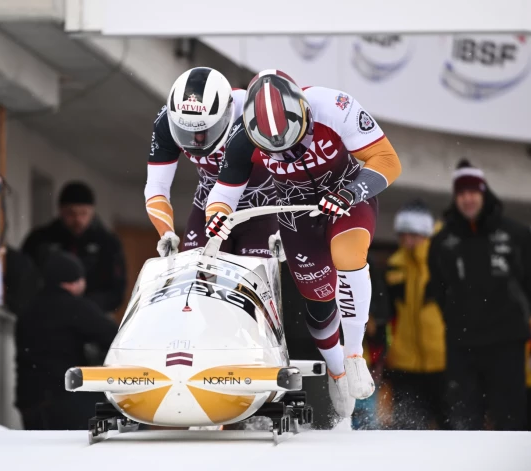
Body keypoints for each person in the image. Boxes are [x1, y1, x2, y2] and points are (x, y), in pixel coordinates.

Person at [204, 70, 402, 418]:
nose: (290, 153)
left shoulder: (335, 106)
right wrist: (216, 214)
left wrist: (351, 191)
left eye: (295, 141)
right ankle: (337, 369)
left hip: (346, 196)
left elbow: (388, 161)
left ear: (304, 112)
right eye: (276, 150)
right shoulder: (242, 137)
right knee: (321, 300)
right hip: (296, 213)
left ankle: (354, 356)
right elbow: (223, 193)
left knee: (348, 255)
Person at [428, 159, 531, 431]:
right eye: (461, 193)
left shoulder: (516, 234)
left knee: (511, 417)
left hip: (507, 341)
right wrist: (454, 316)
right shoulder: (442, 241)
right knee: (463, 418)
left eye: (473, 192)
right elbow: (438, 288)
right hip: (462, 344)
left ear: (484, 193)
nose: (467, 199)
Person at [144, 67, 278, 258]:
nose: (197, 140)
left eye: (205, 129)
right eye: (186, 130)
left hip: (260, 212)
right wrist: (166, 231)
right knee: (196, 281)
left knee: (246, 284)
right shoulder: (165, 121)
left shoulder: (253, 113)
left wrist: (289, 228)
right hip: (207, 209)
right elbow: (157, 185)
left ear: (226, 115)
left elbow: (293, 168)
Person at [15, 251, 119, 430]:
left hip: (30, 404)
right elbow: (116, 337)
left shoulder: (28, 310)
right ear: (76, 281)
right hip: (68, 401)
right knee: (131, 421)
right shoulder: (75, 307)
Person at [383, 200, 447, 430]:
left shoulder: (444, 261)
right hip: (404, 364)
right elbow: (389, 314)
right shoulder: (394, 266)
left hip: (444, 362)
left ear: (426, 233)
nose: (407, 241)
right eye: (403, 234)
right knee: (407, 430)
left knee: (452, 430)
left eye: (414, 234)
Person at [22, 182, 126, 313]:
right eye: (71, 213)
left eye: (83, 213)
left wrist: (84, 305)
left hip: (92, 314)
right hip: (48, 312)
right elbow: (24, 279)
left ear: (92, 212)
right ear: (61, 210)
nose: (78, 219)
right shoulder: (40, 239)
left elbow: (117, 290)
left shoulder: (108, 242)